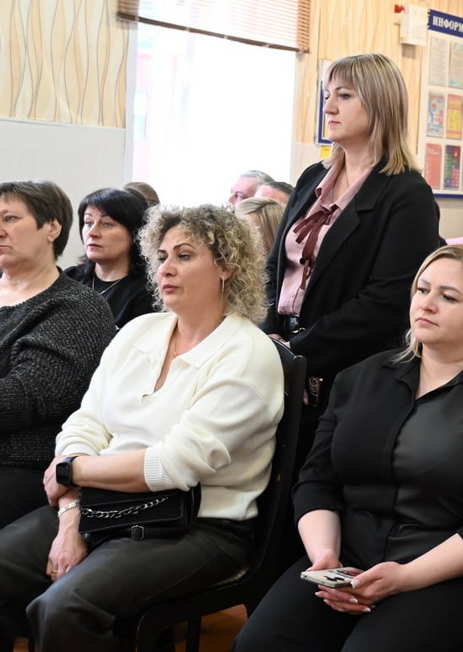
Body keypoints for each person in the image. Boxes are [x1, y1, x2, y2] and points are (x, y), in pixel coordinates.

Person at [234, 246, 463, 652]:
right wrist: (325, 559)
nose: (427, 303)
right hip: (349, 558)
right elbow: (317, 480)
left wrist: (406, 577)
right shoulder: (361, 377)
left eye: (449, 297)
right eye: (422, 289)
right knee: (259, 643)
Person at [0, 204, 284, 651]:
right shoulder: (140, 331)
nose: (165, 268)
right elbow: (86, 422)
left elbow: (174, 466)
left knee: (66, 606)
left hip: (199, 524)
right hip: (101, 502)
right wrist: (70, 517)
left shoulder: (247, 354)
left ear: (226, 266)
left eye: (184, 256)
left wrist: (72, 471)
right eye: (162, 256)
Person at [263, 53, 441, 456]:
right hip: (281, 355)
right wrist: (270, 335)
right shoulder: (312, 177)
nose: (329, 107)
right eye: (327, 95)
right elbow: (273, 267)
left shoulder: (406, 193)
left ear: (379, 104)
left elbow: (387, 302)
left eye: (344, 96)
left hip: (348, 374)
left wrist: (297, 350)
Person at [0, 181, 115, 529]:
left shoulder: (76, 307)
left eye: (10, 218)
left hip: (22, 466)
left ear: (52, 227)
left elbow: (23, 397)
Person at [64, 187, 156, 328]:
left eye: (106, 224)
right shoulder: (69, 278)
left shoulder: (147, 293)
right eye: (88, 223)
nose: (92, 232)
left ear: (135, 232)